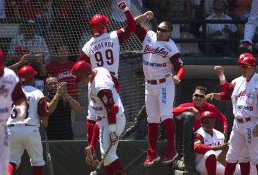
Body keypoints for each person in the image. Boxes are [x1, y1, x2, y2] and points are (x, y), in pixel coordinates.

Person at [79, 1, 136, 167]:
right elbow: (132, 26)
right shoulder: (113, 35)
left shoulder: (88, 45)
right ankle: (107, 137)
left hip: (94, 80)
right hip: (111, 81)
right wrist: (126, 10)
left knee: (95, 115)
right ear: (105, 25)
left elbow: (81, 66)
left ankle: (91, 144)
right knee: (109, 112)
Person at [133, 11, 185, 167]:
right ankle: (152, 152)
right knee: (152, 119)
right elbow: (132, 24)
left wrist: (178, 77)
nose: (159, 31)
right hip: (149, 84)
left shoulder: (171, 47)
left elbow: (181, 67)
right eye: (158, 28)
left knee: (165, 115)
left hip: (164, 84)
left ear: (170, 32)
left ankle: (171, 149)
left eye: (163, 30)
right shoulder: (149, 36)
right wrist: (143, 17)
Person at [207, 52, 258, 175]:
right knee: (233, 156)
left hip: (251, 124)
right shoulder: (238, 81)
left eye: (244, 66)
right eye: (240, 66)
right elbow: (227, 92)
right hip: (237, 124)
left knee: (256, 157)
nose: (242, 69)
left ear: (252, 67)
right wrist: (221, 76)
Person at [71, 61, 126, 175]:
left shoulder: (100, 86)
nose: (80, 82)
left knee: (109, 155)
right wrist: (91, 144)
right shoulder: (99, 70)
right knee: (106, 157)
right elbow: (98, 119)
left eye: (81, 78)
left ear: (86, 74)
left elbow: (111, 108)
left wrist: (112, 131)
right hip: (105, 119)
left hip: (113, 119)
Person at [172, 85, 228, 172]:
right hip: (190, 142)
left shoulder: (210, 107)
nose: (198, 98)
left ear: (205, 98)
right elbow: (172, 111)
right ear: (192, 96)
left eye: (201, 96)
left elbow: (223, 118)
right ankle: (182, 158)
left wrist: (225, 134)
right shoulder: (188, 105)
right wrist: (190, 109)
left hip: (206, 140)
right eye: (196, 95)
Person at [7, 65, 49, 175]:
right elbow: (44, 114)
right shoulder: (37, 92)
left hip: (11, 129)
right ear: (32, 78)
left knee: (11, 160)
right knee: (37, 161)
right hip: (31, 129)